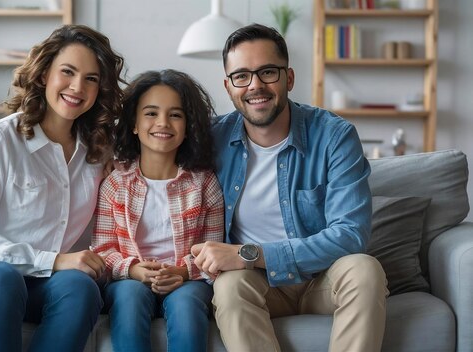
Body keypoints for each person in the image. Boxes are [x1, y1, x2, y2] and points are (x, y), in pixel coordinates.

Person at [191, 24, 388, 352]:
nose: (255, 86)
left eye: (267, 72)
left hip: (322, 279)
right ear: (228, 87)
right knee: (229, 287)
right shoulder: (212, 140)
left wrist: (252, 254)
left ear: (289, 78)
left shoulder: (334, 136)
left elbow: (350, 234)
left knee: (365, 270)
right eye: (241, 76)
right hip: (257, 284)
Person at [0, 24, 125, 352]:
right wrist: (54, 260)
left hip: (41, 283)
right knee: (3, 279)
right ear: (43, 74)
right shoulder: (0, 139)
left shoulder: (99, 152)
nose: (78, 87)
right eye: (68, 71)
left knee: (81, 288)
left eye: (91, 78)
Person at [91, 69, 224, 352]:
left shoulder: (204, 183)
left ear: (188, 126)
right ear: (134, 124)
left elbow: (214, 249)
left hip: (187, 280)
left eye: (176, 115)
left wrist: (183, 272)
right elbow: (103, 249)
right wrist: (133, 269)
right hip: (130, 280)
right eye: (151, 113)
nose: (163, 123)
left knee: (187, 306)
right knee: (128, 298)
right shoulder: (115, 182)